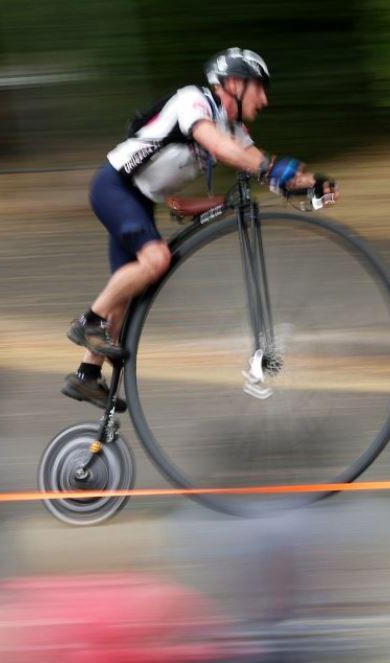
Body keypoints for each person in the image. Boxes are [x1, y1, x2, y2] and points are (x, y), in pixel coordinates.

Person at [62, 47, 338, 409]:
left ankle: (87, 376)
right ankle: (87, 321)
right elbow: (220, 147)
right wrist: (273, 168)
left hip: (140, 202)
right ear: (235, 84)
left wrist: (309, 182)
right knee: (156, 260)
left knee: (128, 294)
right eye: (260, 88)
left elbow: (258, 165)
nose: (265, 99)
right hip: (115, 186)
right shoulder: (194, 102)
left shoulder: (232, 129)